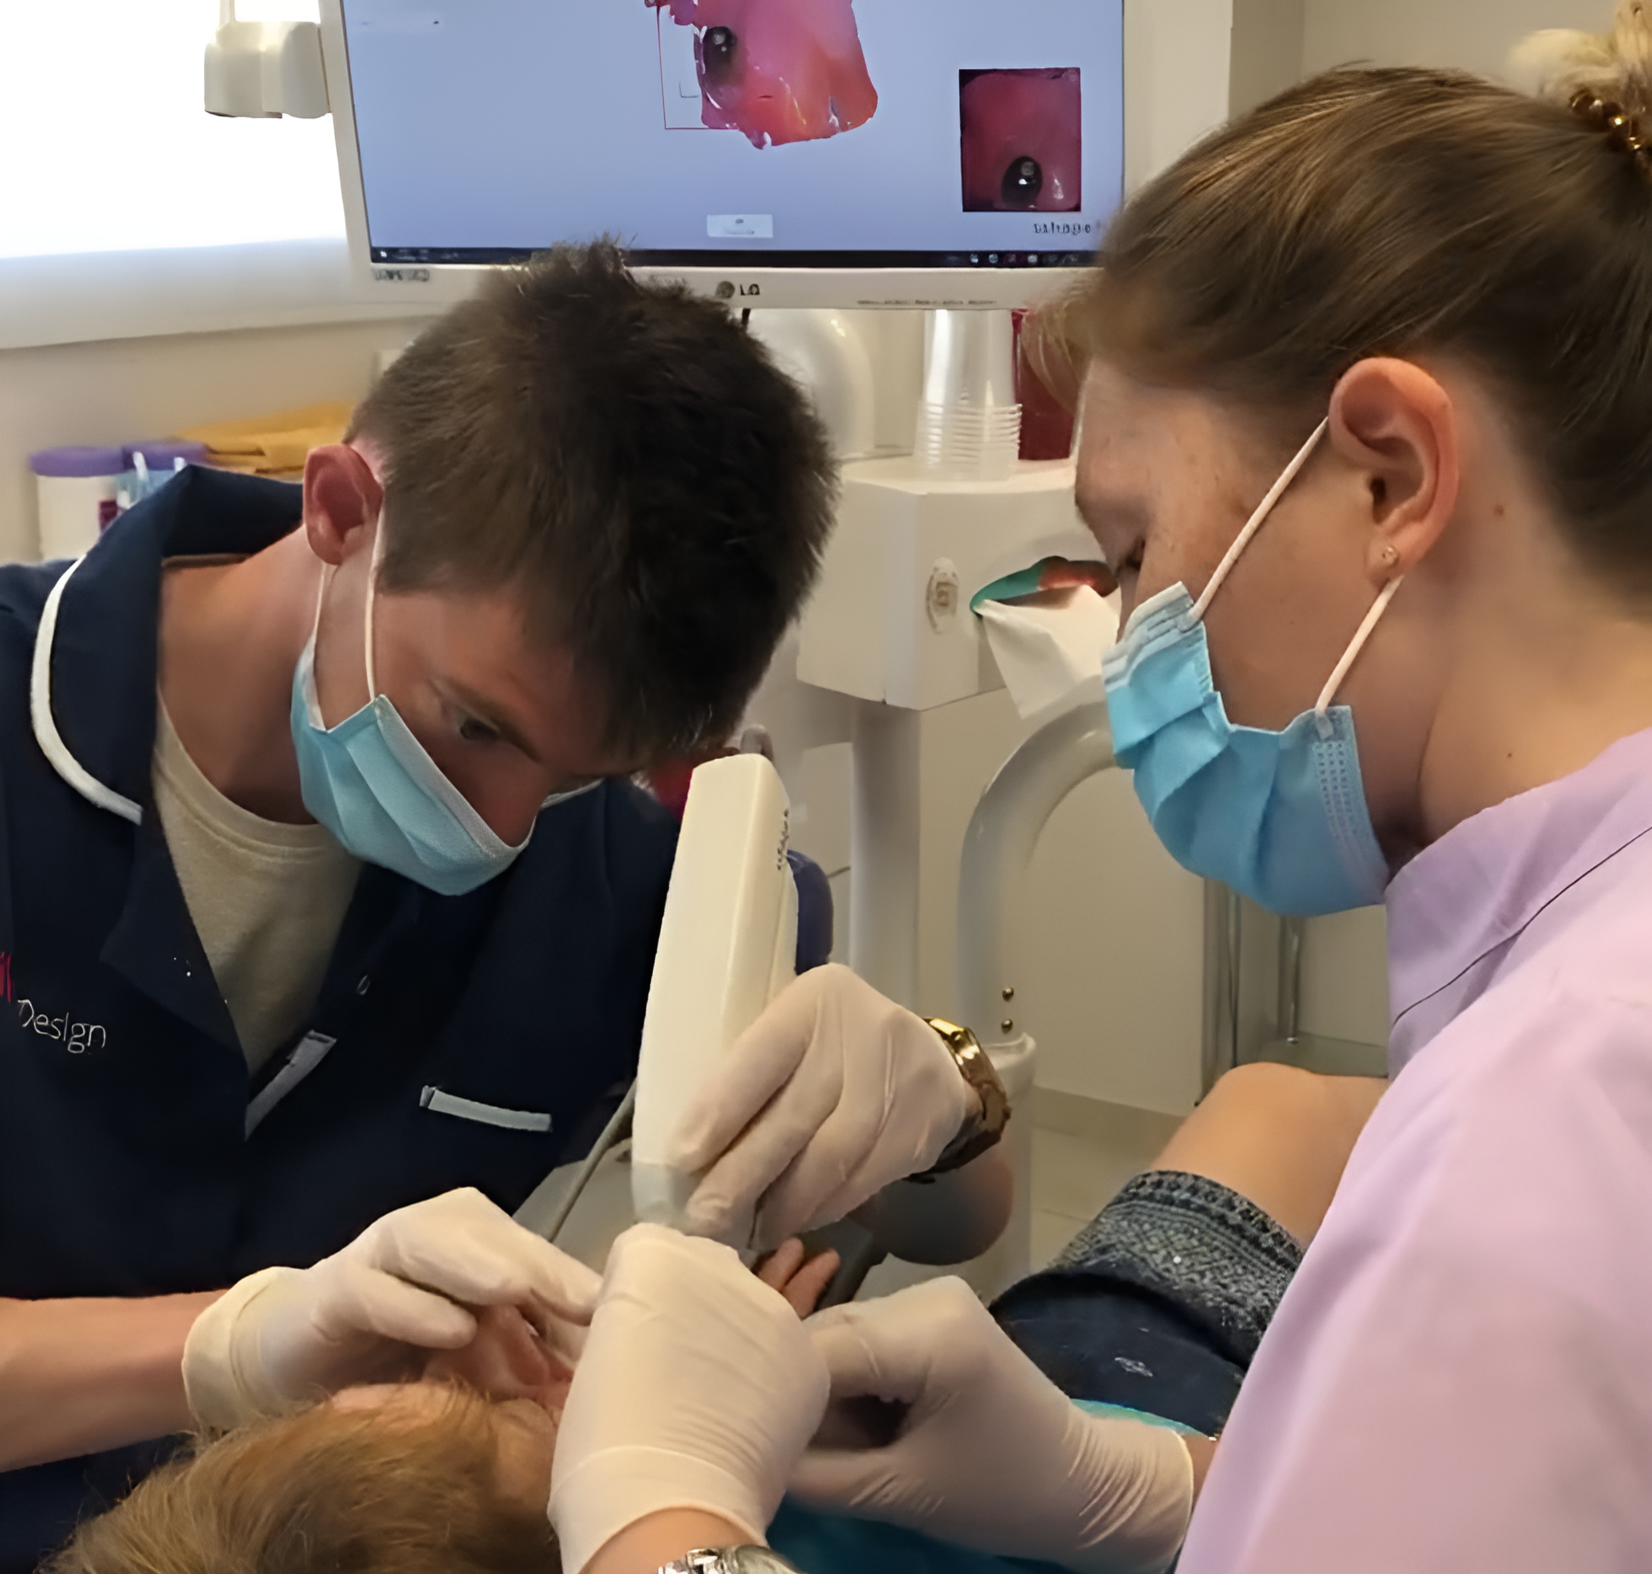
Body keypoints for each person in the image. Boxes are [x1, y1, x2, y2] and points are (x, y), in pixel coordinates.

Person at [536, 3, 1652, 1569]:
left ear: (1390, 473)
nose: (1130, 640)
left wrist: (664, 1518)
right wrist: (1154, 1484)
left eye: (1131, 554)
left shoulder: (1544, 1130)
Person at [0, 241, 1005, 1570]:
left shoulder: (612, 877)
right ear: (342, 510)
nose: (502, 826)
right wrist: (230, 1344)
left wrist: (942, 1096)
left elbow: (951, 1216)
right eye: (475, 725)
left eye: (578, 773)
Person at [41, 1064, 1378, 1574]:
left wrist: (950, 1082)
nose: (547, 1365)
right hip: (1197, 1424)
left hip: (1074, 1413)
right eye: (538, 1415)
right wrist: (1160, 1490)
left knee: (1277, 1104)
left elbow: (964, 1203)